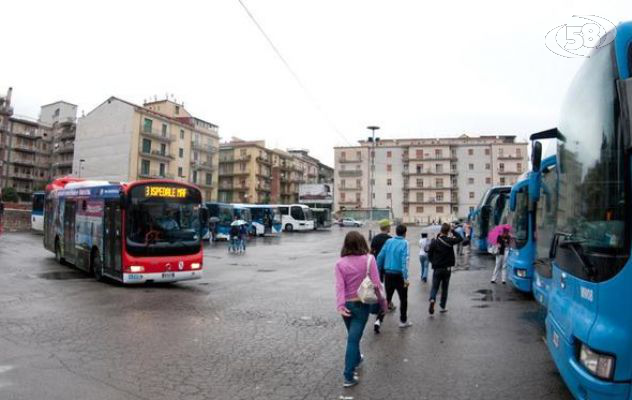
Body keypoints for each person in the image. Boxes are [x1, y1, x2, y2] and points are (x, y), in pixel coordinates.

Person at [335, 231, 387, 388]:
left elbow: (339, 287)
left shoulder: (340, 263)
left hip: (346, 306)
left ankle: (357, 359)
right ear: (362, 243)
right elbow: (377, 285)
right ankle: (348, 376)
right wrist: (383, 305)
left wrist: (340, 306)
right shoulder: (369, 260)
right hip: (362, 304)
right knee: (353, 339)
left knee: (353, 336)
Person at [377, 224, 412, 328]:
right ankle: (403, 321)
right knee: (403, 299)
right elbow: (404, 261)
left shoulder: (388, 241)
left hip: (388, 274)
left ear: (396, 231)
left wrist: (378, 270)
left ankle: (378, 320)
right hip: (399, 275)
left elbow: (380, 257)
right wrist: (405, 278)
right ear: (405, 233)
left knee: (387, 299)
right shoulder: (405, 243)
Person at [427, 223, 463, 314]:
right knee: (445, 288)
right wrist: (453, 230)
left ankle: (432, 299)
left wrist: (433, 262)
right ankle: (442, 306)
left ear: (440, 231)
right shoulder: (450, 240)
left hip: (437, 268)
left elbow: (429, 254)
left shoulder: (434, 241)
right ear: (448, 231)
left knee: (435, 286)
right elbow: (460, 238)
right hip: (447, 269)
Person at [369, 219, 391, 333]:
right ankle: (386, 303)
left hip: (376, 267)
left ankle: (379, 303)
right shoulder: (390, 239)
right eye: (389, 226)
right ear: (387, 227)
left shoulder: (375, 238)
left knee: (378, 287)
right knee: (387, 288)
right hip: (387, 267)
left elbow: (371, 252)